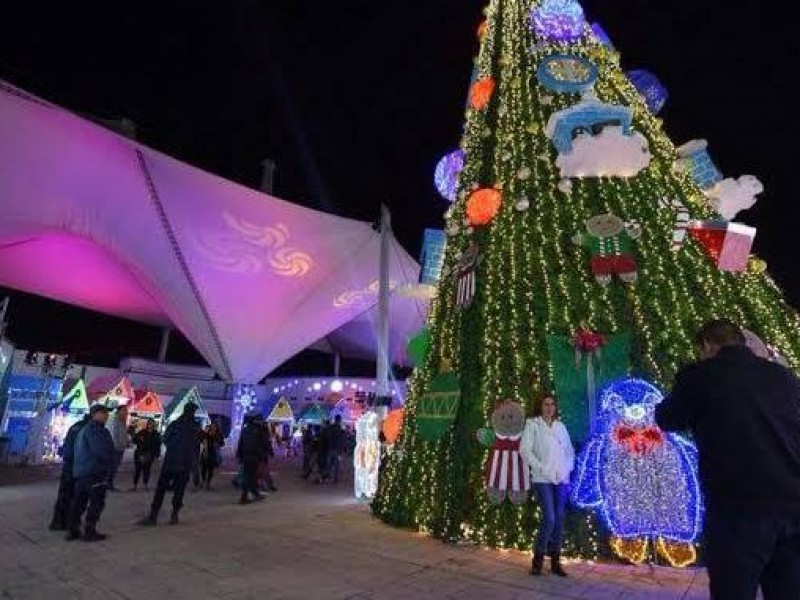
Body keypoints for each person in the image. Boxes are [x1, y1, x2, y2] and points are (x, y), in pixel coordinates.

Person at [655, 320, 800, 599]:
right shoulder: (783, 376)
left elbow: (667, 418)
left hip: (738, 510)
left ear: (707, 345)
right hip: (792, 505)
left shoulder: (700, 375)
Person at [519, 394, 574, 577]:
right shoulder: (533, 424)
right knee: (549, 518)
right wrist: (542, 468)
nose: (549, 407)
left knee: (558, 519)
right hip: (542, 479)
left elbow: (569, 452)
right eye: (546, 404)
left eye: (552, 404)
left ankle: (556, 562)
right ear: (540, 406)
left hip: (561, 480)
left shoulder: (560, 426)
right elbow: (525, 450)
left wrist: (566, 470)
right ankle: (538, 560)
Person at [138, 403, 202, 526]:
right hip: (185, 464)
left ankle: (153, 516)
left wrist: (174, 446)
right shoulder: (195, 427)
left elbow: (166, 439)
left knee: (161, 489)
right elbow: (196, 447)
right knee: (179, 490)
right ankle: (174, 515)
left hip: (171, 461)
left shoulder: (176, 424)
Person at [66, 404, 116, 542]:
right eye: (104, 413)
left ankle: (73, 530)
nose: (107, 415)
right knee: (96, 502)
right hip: (95, 472)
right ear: (96, 414)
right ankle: (89, 531)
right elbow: (101, 450)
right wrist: (110, 460)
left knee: (79, 502)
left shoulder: (85, 429)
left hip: (82, 472)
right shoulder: (97, 429)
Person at [49, 413, 91, 531]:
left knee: (64, 494)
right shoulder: (87, 429)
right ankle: (69, 522)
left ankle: (58, 521)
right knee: (76, 495)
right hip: (78, 466)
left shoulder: (75, 426)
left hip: (69, 464)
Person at [237, 414, 267, 504]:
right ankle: (244, 497)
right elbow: (263, 443)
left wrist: (240, 456)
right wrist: (262, 455)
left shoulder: (245, 430)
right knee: (250, 476)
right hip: (254, 456)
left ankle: (254, 493)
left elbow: (240, 444)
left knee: (251, 475)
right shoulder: (258, 430)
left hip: (246, 456)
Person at [131, 419, 161, 491]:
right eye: (149, 423)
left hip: (150, 455)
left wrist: (157, 455)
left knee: (147, 470)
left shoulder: (156, 434)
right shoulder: (142, 432)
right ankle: (135, 485)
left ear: (154, 425)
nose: (150, 425)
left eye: (152, 424)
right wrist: (136, 437)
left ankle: (145, 485)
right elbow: (134, 441)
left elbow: (158, 445)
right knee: (137, 470)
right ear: (147, 424)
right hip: (139, 453)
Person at [105, 404, 129, 491]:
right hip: (114, 448)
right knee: (111, 466)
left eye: (126, 410)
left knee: (114, 467)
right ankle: (107, 483)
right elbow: (113, 435)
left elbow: (123, 434)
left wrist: (126, 442)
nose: (126, 412)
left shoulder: (122, 421)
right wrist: (116, 447)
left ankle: (109, 483)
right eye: (124, 410)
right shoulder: (114, 420)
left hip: (120, 448)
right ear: (119, 411)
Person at [199, 422, 225, 490]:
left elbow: (222, 443)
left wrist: (217, 441)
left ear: (217, 428)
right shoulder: (206, 433)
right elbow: (201, 440)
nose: (213, 428)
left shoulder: (218, 434)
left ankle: (208, 483)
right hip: (206, 453)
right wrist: (205, 432)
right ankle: (203, 480)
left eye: (215, 427)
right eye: (212, 426)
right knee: (203, 468)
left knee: (210, 469)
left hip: (213, 454)